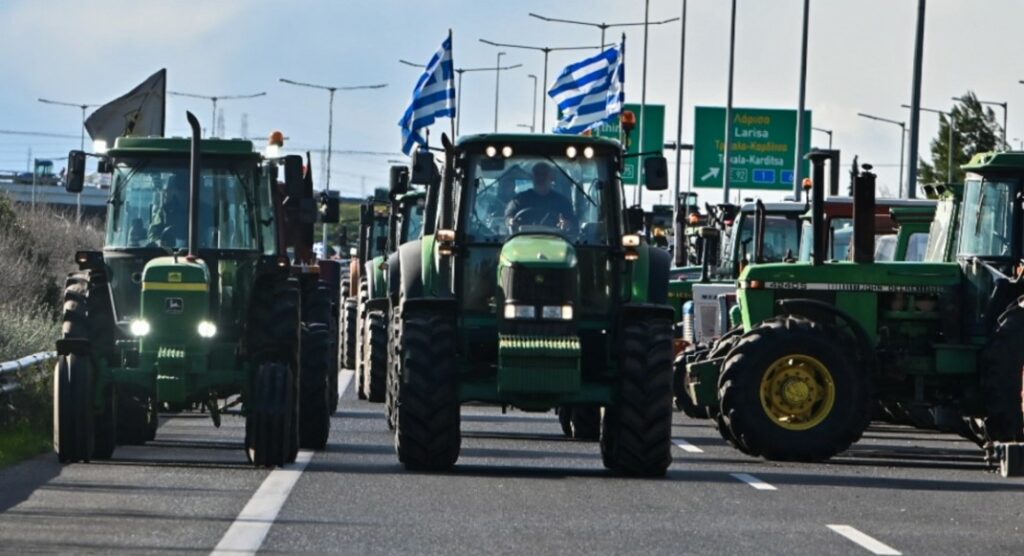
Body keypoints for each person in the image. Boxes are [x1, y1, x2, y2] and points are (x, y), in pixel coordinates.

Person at [504, 162, 577, 231]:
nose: (541, 178)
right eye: (537, 174)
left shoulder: (562, 202)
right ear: (533, 177)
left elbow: (573, 223)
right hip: (522, 241)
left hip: (555, 240)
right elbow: (508, 217)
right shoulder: (519, 200)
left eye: (544, 175)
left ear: (551, 178)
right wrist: (510, 221)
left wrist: (567, 224)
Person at [148, 174, 189, 246]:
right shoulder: (163, 211)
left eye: (170, 189)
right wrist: (158, 241)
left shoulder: (201, 210)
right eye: (167, 190)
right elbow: (153, 233)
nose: (166, 193)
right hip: (166, 252)